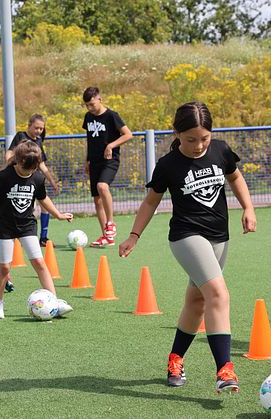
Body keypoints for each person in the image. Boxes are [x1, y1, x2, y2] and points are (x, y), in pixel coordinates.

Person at [118, 102, 256, 393]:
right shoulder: (168, 165)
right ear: (177, 133)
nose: (198, 145)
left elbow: (235, 177)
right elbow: (150, 202)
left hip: (220, 236)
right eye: (191, 139)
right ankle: (225, 370)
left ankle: (175, 358)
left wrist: (248, 207)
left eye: (204, 138)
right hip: (186, 236)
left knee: (198, 302)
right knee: (218, 293)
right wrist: (133, 235)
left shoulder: (220, 150)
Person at [0, 141, 74, 319]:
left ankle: (54, 301)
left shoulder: (38, 178)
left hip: (27, 225)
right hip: (5, 226)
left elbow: (43, 198)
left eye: (32, 170)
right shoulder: (4, 176)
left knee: (39, 263)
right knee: (5, 267)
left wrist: (59, 214)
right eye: (26, 169)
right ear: (18, 161)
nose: (29, 173)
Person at [81, 86, 133, 247]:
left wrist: (111, 145)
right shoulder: (88, 117)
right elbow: (90, 139)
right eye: (87, 105)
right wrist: (87, 160)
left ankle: (111, 223)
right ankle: (107, 237)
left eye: (92, 104)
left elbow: (128, 134)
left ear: (99, 99)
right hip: (94, 161)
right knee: (97, 200)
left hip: (110, 160)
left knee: (102, 187)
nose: (90, 108)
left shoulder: (111, 116)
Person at [5, 114, 59, 247]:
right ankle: (18, 237)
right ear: (29, 125)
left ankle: (43, 238)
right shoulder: (20, 136)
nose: (39, 131)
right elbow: (10, 153)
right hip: (20, 178)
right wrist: (8, 165)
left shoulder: (39, 142)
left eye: (41, 129)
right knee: (25, 208)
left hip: (33, 179)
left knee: (44, 207)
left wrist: (52, 181)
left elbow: (42, 165)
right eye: (36, 128)